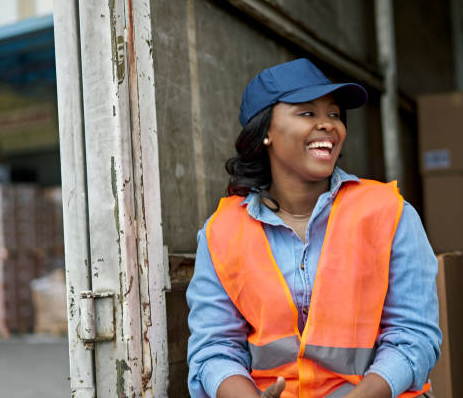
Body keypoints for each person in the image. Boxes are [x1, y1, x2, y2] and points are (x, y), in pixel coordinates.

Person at [186, 58, 441, 398]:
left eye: (334, 114)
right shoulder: (221, 232)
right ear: (266, 134)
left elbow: (415, 337)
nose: (328, 125)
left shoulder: (389, 213)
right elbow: (214, 349)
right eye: (307, 113)